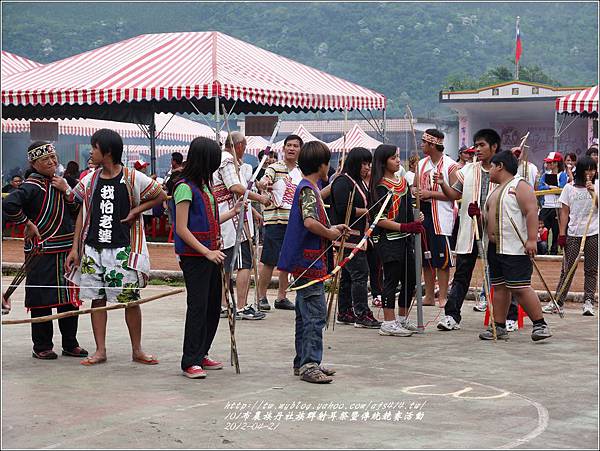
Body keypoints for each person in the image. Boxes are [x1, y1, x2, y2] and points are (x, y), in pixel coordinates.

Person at [65, 129, 167, 366]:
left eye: (94, 147)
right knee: (96, 299)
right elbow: (82, 211)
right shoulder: (90, 179)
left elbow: (161, 195)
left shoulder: (132, 177)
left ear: (107, 151)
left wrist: (136, 210)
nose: (91, 152)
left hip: (122, 249)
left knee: (130, 299)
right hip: (93, 249)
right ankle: (100, 350)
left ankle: (137, 350)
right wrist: (74, 248)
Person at [2, 142, 88, 359]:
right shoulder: (31, 186)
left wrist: (67, 191)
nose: (51, 162)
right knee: (42, 299)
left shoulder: (64, 182)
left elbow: (78, 209)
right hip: (41, 251)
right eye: (45, 159)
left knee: (69, 298)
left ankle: (70, 343)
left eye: (53, 157)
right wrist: (27, 223)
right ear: (33, 163)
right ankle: (41, 346)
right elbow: (9, 204)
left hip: (67, 250)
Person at [171, 137, 245, 378]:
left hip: (212, 255)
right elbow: (181, 228)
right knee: (198, 306)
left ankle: (202, 352)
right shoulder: (184, 187)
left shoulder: (205, 187)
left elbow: (210, 221)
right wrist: (206, 251)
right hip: (196, 258)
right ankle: (189, 360)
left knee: (213, 305)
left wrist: (231, 212)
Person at [277, 141, 349, 384]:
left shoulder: (310, 188)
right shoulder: (308, 189)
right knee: (314, 314)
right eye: (327, 162)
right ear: (321, 166)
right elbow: (309, 222)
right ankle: (309, 364)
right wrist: (330, 234)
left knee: (305, 313)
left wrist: (332, 228)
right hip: (310, 263)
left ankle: (304, 361)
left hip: (306, 262)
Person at [477, 150, 552, 341]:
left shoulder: (520, 185)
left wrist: (532, 239)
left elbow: (531, 211)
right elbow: (487, 219)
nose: (489, 171)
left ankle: (540, 324)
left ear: (500, 166)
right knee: (500, 287)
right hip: (495, 247)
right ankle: (499, 326)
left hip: (515, 247)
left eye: (492, 166)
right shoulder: (495, 191)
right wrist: (477, 216)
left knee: (520, 287)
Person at [434, 128, 499, 331]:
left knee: (499, 274)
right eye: (476, 145)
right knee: (462, 273)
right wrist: (443, 184)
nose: (477, 150)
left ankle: (506, 317)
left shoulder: (503, 170)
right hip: (470, 230)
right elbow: (454, 194)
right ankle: (452, 315)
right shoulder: (469, 170)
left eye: (482, 145)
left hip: (495, 232)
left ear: (494, 147)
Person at [213, 131, 270, 320]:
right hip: (233, 221)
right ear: (238, 146)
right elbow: (235, 188)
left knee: (227, 264)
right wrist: (259, 198)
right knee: (242, 263)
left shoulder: (223, 160)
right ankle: (241, 306)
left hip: (229, 216)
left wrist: (253, 210)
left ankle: (223, 304)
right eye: (244, 147)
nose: (244, 152)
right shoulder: (228, 160)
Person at [370, 144, 424, 337]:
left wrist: (416, 219)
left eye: (398, 157)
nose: (397, 161)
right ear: (383, 161)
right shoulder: (379, 186)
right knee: (391, 279)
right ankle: (388, 321)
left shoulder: (402, 182)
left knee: (411, 278)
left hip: (405, 238)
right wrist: (405, 226)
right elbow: (379, 219)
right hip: (388, 239)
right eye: (393, 158)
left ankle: (401, 317)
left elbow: (407, 208)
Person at [330, 147, 380, 329]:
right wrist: (368, 211)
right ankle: (362, 313)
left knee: (348, 277)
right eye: (364, 164)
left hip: (359, 235)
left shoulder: (359, 181)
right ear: (354, 163)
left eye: (369, 164)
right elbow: (344, 209)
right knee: (360, 273)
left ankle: (345, 311)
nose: (367, 167)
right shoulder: (343, 181)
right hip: (347, 235)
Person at [543, 156, 598, 316]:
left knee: (591, 269)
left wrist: (592, 190)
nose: (591, 173)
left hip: (593, 232)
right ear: (581, 170)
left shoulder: (597, 186)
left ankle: (588, 302)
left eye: (593, 169)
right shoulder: (569, 188)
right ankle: (558, 301)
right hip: (574, 233)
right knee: (567, 269)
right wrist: (561, 234)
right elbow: (564, 212)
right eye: (587, 169)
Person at [256, 134, 304, 311]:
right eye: (289, 145)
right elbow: (264, 181)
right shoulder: (274, 168)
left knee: (288, 261)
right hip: (275, 220)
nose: (291, 148)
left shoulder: (301, 171)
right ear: (283, 148)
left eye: (295, 146)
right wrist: (263, 184)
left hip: (294, 222)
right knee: (269, 260)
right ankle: (261, 296)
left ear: (300, 149)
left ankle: (282, 297)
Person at [415, 129, 458, 308]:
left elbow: (455, 194)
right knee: (426, 256)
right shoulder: (421, 164)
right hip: (424, 214)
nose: (422, 145)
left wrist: (430, 193)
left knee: (442, 259)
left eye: (425, 142)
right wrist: (416, 192)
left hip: (441, 216)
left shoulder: (451, 165)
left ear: (432, 145)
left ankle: (442, 296)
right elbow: (415, 187)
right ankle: (429, 296)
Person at [538, 151, 568, 255]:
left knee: (556, 231)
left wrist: (556, 188)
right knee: (543, 229)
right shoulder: (545, 175)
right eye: (548, 163)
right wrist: (551, 187)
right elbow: (540, 187)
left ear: (556, 163)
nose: (548, 165)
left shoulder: (562, 175)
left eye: (551, 163)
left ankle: (554, 250)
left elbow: (563, 188)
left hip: (558, 206)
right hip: (546, 206)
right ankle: (543, 249)